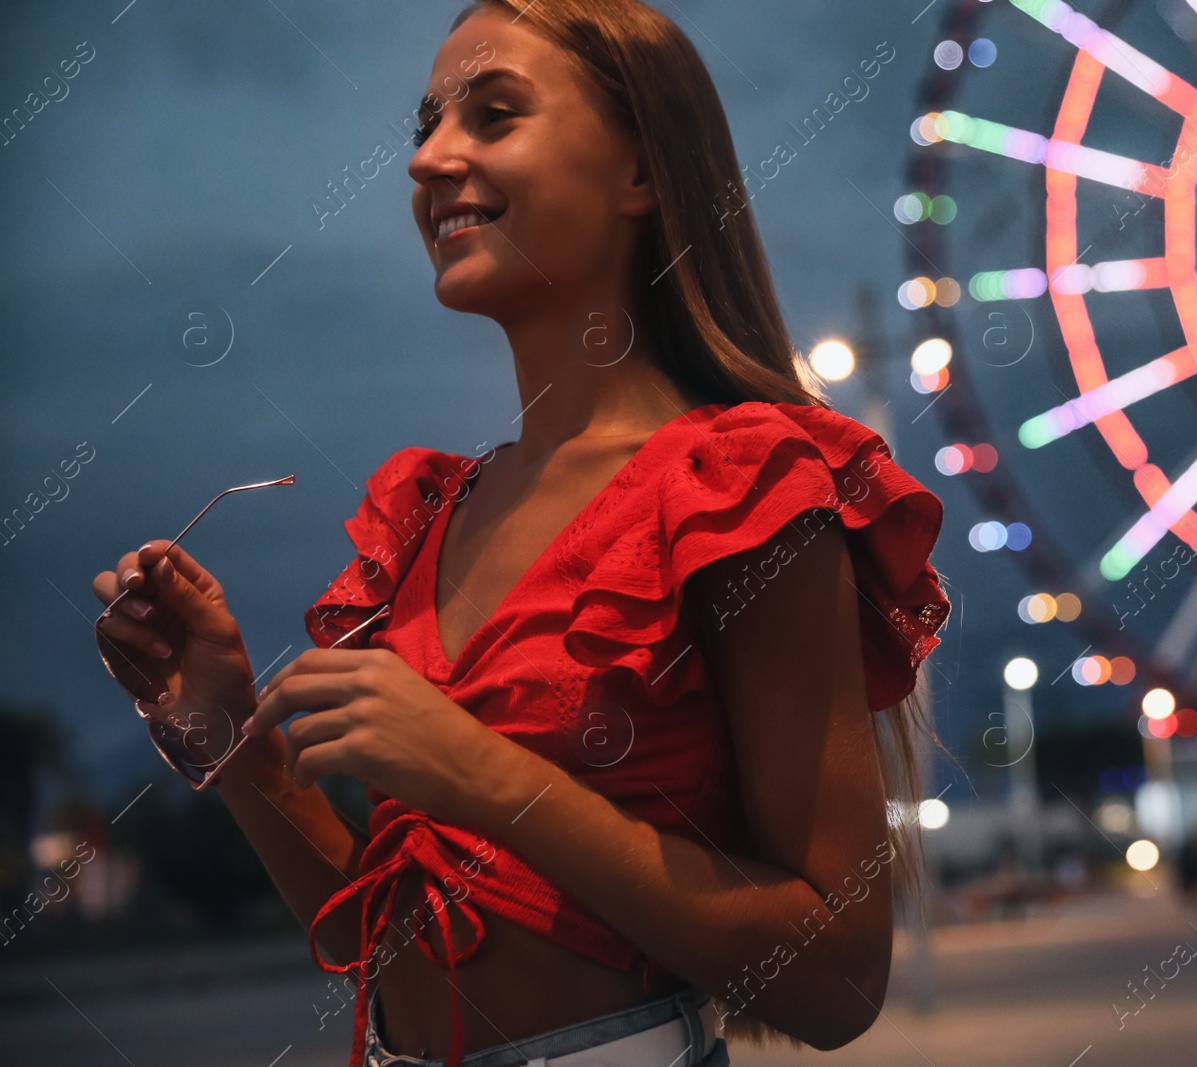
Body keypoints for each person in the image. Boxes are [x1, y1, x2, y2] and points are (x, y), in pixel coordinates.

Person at [89, 3, 953, 1066]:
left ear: (640, 172)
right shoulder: (425, 520)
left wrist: (487, 774)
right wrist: (228, 729)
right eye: (425, 126)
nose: (431, 160)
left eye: (493, 116)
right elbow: (388, 942)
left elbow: (836, 977)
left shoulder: (739, 490)